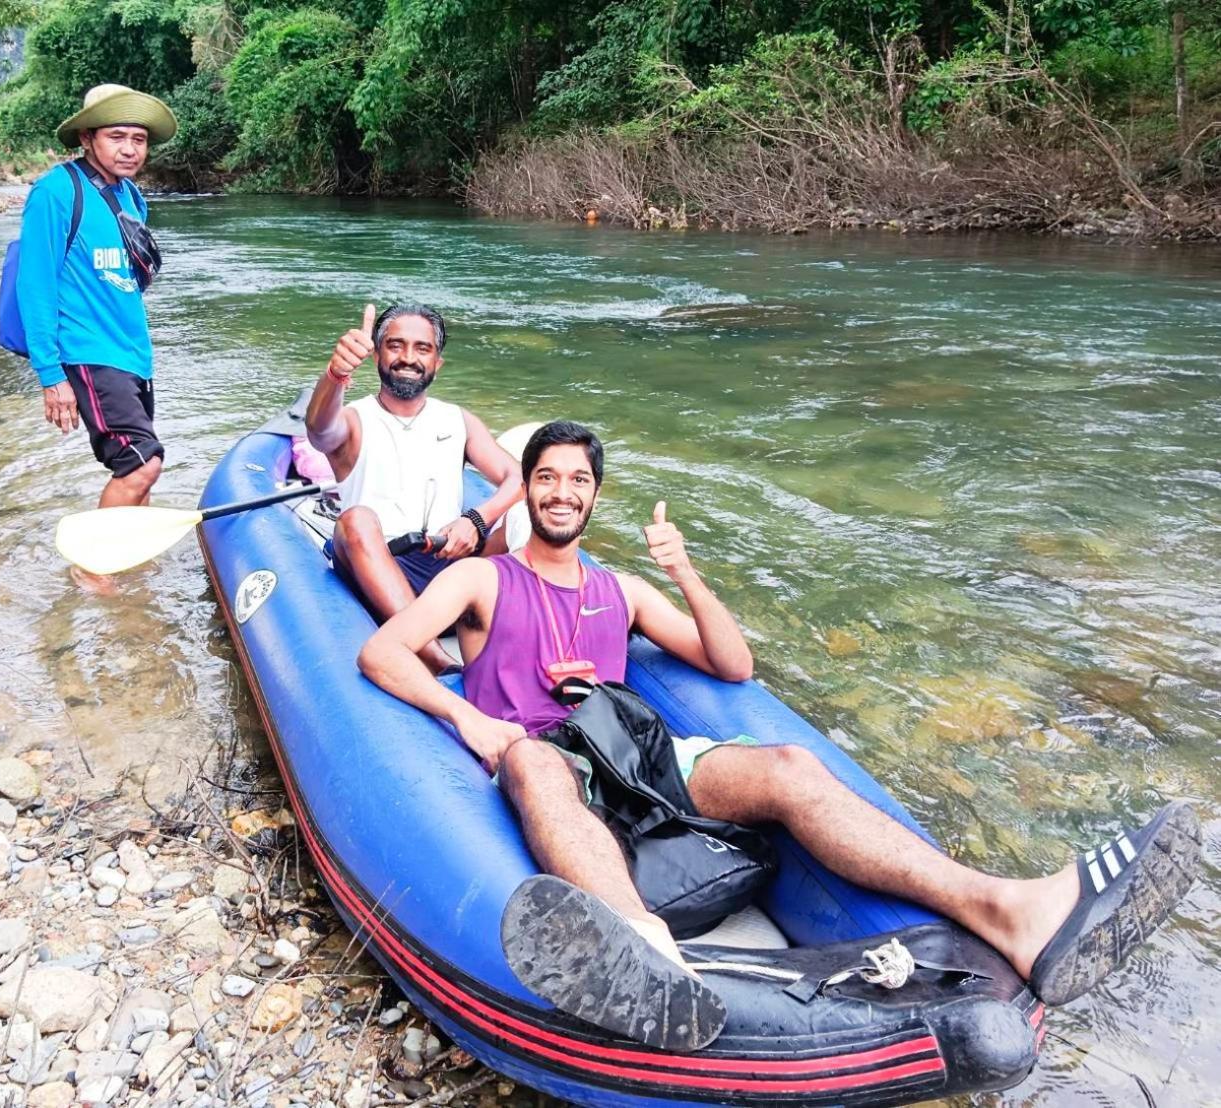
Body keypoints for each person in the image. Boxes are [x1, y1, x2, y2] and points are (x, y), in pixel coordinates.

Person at [358, 420, 1199, 1050]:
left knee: (791, 766)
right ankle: (645, 956)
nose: (561, 492)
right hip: (547, 751)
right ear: (529, 489)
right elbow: (383, 651)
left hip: (641, 750)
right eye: (546, 478)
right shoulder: (481, 577)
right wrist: (471, 717)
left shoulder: (621, 590)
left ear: (593, 496)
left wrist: (682, 568)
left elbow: (731, 665)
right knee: (536, 763)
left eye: (577, 480)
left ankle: (1008, 908)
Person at [16, 84, 177, 584]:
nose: (130, 149)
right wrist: (50, 373)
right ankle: (92, 578)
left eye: (139, 139)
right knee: (141, 464)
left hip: (131, 353)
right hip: (87, 350)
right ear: (87, 138)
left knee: (141, 470)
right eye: (116, 136)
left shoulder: (131, 197)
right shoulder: (56, 192)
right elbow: (34, 283)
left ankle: (130, 571)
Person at [306, 302, 522, 671]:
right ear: (376, 354)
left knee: (528, 515)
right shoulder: (355, 420)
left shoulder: (458, 420)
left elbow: (518, 479)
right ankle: (431, 655)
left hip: (447, 564)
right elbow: (319, 429)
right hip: (375, 566)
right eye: (395, 345)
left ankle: (560, 618)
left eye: (422, 348)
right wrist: (334, 374)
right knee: (356, 519)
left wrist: (476, 520)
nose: (408, 357)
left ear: (437, 362)